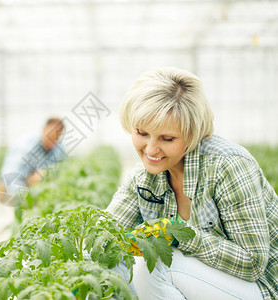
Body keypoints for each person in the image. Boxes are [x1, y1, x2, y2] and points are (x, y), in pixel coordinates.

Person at [106, 67, 277, 299]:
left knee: (155, 263)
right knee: (115, 261)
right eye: (142, 133)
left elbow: (253, 263)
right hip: (201, 283)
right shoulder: (143, 177)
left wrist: (184, 236)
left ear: (192, 134)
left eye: (167, 138)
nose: (151, 149)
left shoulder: (227, 165)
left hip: (261, 287)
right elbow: (107, 233)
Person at [0, 117, 66, 206]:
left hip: (35, 188)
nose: (53, 141)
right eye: (51, 136)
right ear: (43, 130)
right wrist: (27, 200)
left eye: (57, 138)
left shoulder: (59, 148)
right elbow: (11, 178)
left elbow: (62, 172)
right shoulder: (25, 146)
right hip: (10, 187)